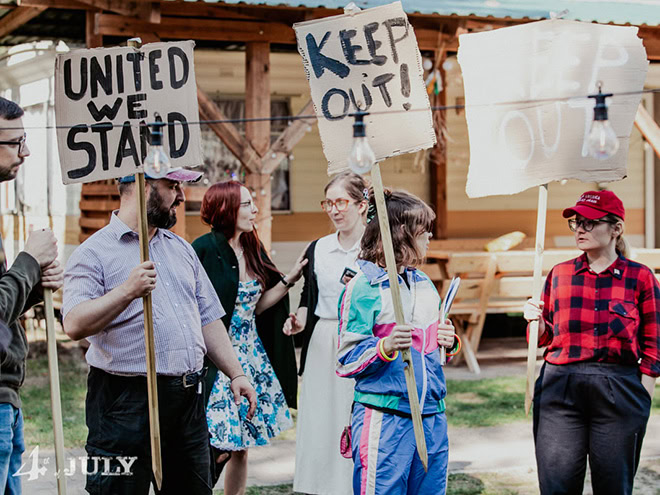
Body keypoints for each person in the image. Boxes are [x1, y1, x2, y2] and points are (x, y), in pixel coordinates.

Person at [62, 169, 257, 495]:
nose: (181, 196)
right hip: (123, 402)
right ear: (142, 186)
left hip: (186, 402)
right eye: (173, 186)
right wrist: (127, 291)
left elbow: (207, 319)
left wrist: (236, 373)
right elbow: (74, 323)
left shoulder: (181, 249)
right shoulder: (93, 253)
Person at [524, 190, 659, 495]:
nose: (580, 229)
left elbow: (654, 344)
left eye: (590, 222)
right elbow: (545, 339)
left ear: (616, 228)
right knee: (557, 486)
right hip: (560, 388)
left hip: (619, 390)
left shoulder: (640, 278)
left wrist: (642, 396)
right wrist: (536, 320)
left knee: (614, 487)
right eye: (576, 223)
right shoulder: (560, 274)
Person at [336, 188, 457, 495]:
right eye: (423, 231)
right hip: (385, 418)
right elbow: (346, 359)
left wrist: (447, 341)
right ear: (400, 236)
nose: (429, 237)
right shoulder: (363, 287)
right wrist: (385, 346)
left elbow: (432, 350)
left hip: (431, 414)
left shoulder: (424, 283)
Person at [192, 180, 303, 495]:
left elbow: (256, 308)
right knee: (216, 441)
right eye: (246, 204)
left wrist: (289, 281)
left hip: (252, 357)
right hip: (216, 359)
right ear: (225, 208)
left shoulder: (253, 247)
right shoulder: (202, 249)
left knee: (241, 446)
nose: (254, 209)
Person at [283, 171, 367, 495]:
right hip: (321, 344)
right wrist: (299, 321)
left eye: (341, 202)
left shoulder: (375, 246)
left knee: (353, 414)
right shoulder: (318, 248)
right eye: (328, 203)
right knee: (321, 419)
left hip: (361, 342)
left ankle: (354, 484)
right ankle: (320, 486)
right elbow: (309, 297)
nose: (334, 210)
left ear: (361, 205)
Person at [0, 97, 62, 494]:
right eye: (15, 141)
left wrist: (36, 284)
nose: (26, 151)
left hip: (8, 397)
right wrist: (27, 261)